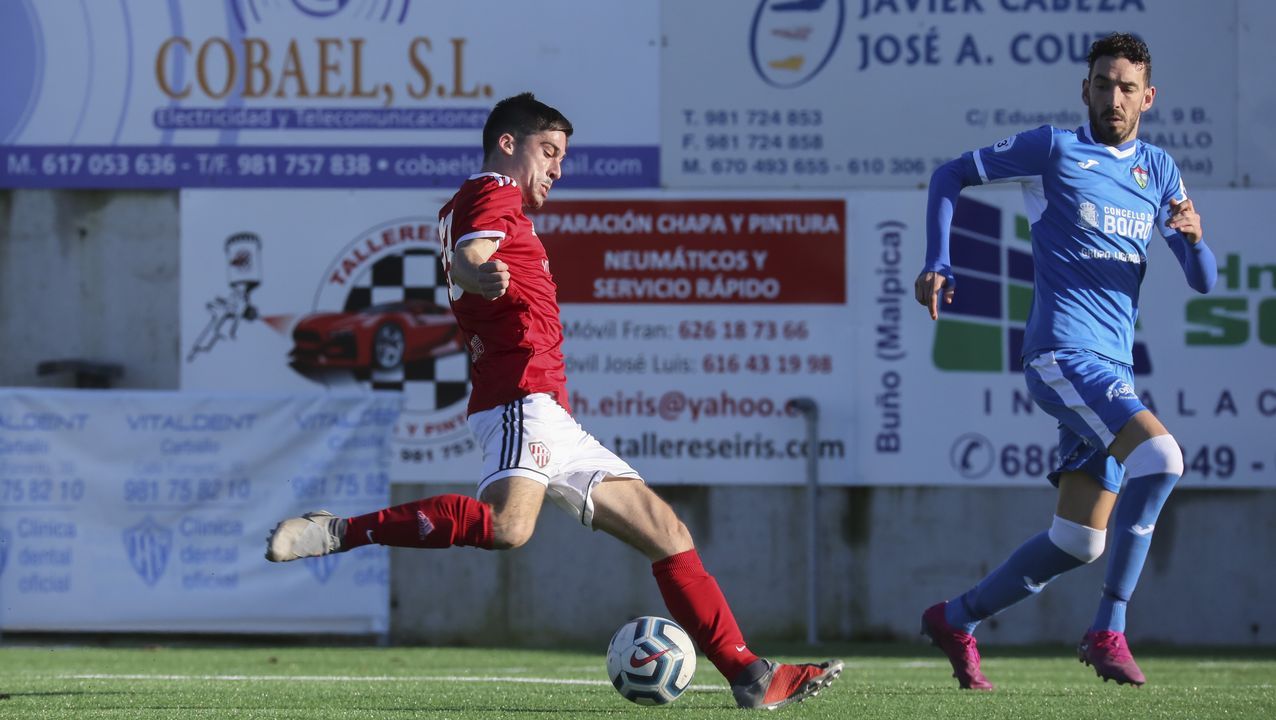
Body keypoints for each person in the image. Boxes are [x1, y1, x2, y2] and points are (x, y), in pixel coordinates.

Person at [266, 92, 842, 710]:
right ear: (508, 145)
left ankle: (750, 675)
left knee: (667, 532)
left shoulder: (499, 206)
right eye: (549, 151)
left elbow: (467, 249)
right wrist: (474, 272)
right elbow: (467, 254)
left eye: (562, 156)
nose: (558, 168)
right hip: (519, 398)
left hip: (550, 412)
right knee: (510, 529)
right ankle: (338, 531)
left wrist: (474, 268)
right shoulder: (493, 189)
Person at [914, 33, 1217, 690]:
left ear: (1148, 97)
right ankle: (1109, 627)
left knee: (1080, 541)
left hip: (1113, 367)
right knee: (1162, 458)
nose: (1114, 97)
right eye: (1103, 83)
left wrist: (1194, 241)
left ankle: (956, 618)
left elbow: (1204, 281)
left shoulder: (1158, 170)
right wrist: (939, 260)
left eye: (1127, 86)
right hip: (1061, 353)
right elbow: (949, 175)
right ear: (1086, 89)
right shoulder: (1053, 150)